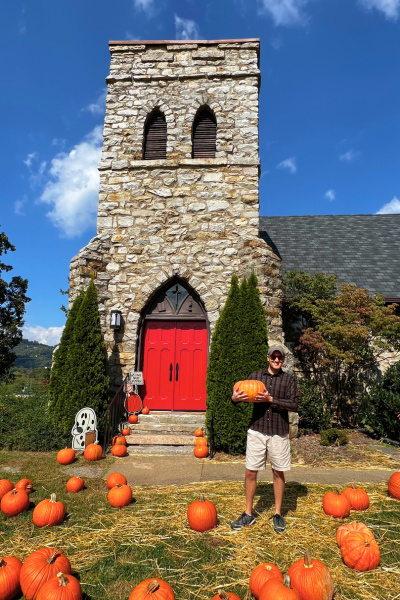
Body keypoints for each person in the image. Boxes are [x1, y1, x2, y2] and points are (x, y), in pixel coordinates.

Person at [230, 344, 299, 533]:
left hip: (278, 431)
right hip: (257, 430)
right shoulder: (255, 377)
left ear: (283, 360)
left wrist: (271, 400)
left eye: (280, 358)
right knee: (251, 472)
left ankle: (277, 514)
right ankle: (248, 514)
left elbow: (294, 404)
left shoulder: (288, 380)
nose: (277, 360)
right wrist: (235, 399)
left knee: (278, 472)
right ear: (268, 358)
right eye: (274, 357)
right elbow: (240, 397)